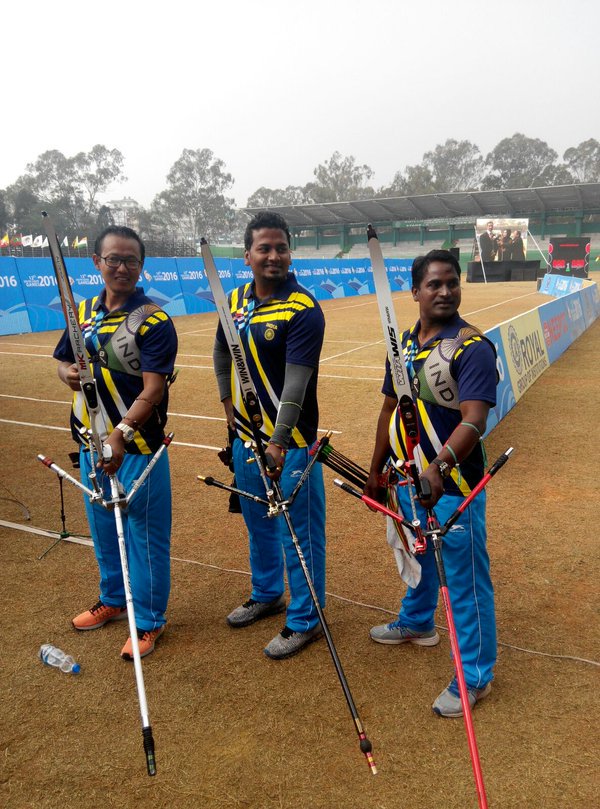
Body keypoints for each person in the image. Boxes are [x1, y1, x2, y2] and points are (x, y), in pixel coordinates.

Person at [365, 249, 498, 718]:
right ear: (415, 291)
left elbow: (475, 420)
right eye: (435, 284)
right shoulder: (401, 342)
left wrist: (438, 467)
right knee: (420, 556)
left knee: (464, 579)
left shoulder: (471, 346)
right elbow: (388, 409)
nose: (445, 291)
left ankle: (476, 676)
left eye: (452, 283)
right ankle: (419, 622)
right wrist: (377, 470)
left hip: (453, 485)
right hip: (408, 479)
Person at [54, 225, 178, 660]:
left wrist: (121, 433)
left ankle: (147, 621)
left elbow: (154, 389)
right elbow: (64, 361)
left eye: (131, 260)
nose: (121, 267)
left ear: (141, 266)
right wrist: (66, 373)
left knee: (144, 536)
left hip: (136, 448)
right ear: (97, 263)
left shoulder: (153, 319)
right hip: (91, 443)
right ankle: (112, 599)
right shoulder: (82, 312)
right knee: (104, 529)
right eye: (113, 259)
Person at [212, 210, 326, 660]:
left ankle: (305, 619)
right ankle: (266, 594)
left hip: (290, 443)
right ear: (247, 256)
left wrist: (277, 440)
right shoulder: (234, 301)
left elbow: (297, 383)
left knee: (300, 533)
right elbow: (222, 354)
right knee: (257, 522)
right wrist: (230, 418)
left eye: (281, 247)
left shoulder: (303, 307)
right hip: (246, 440)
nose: (274, 256)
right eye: (264, 248)